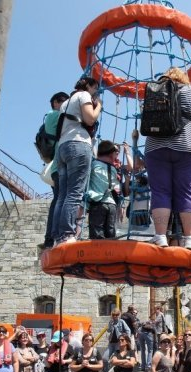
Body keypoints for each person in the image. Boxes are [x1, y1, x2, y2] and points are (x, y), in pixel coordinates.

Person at [143, 67, 191, 249]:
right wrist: (190, 128)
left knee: (160, 191)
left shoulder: (154, 89)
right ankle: (189, 239)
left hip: (156, 145)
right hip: (187, 146)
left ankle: (160, 236)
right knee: (186, 190)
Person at [51, 77, 102, 246]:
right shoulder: (84, 95)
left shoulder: (67, 102)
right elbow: (90, 119)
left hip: (63, 148)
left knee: (62, 195)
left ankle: (58, 236)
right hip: (78, 144)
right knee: (75, 193)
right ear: (88, 85)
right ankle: (67, 234)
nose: (95, 92)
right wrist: (99, 106)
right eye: (95, 88)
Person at [42, 91, 70, 249]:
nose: (65, 103)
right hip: (59, 165)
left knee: (61, 198)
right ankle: (53, 237)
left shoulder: (60, 116)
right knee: (60, 199)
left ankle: (52, 237)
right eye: (61, 101)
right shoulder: (53, 114)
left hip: (58, 164)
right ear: (55, 103)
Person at [86, 140, 121, 239]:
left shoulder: (93, 164)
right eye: (115, 153)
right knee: (111, 233)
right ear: (110, 154)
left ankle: (98, 254)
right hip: (112, 204)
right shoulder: (114, 169)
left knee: (97, 234)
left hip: (97, 202)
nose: (116, 156)